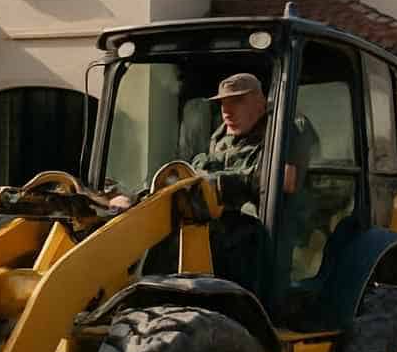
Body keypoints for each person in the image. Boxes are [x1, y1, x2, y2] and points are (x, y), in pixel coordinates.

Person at [109, 71, 316, 292]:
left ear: (259, 102)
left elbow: (287, 179)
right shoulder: (223, 136)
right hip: (233, 226)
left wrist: (223, 183)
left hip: (274, 230)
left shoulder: (287, 129)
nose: (227, 111)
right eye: (223, 104)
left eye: (237, 101)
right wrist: (139, 198)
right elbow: (196, 176)